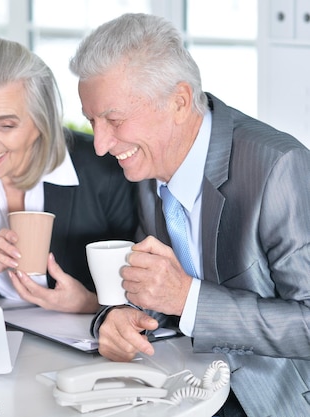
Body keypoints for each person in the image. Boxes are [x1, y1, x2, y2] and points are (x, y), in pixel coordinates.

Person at [68, 13, 310, 417]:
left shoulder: (279, 168)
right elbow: (154, 295)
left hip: (277, 400)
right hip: (182, 385)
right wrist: (113, 319)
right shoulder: (147, 162)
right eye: (93, 121)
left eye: (113, 120)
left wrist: (190, 298)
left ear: (179, 102)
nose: (101, 144)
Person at [0, 38, 137, 313]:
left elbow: (138, 285)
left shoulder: (100, 167)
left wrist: (89, 303)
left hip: (81, 335)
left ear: (41, 123)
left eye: (6, 125)